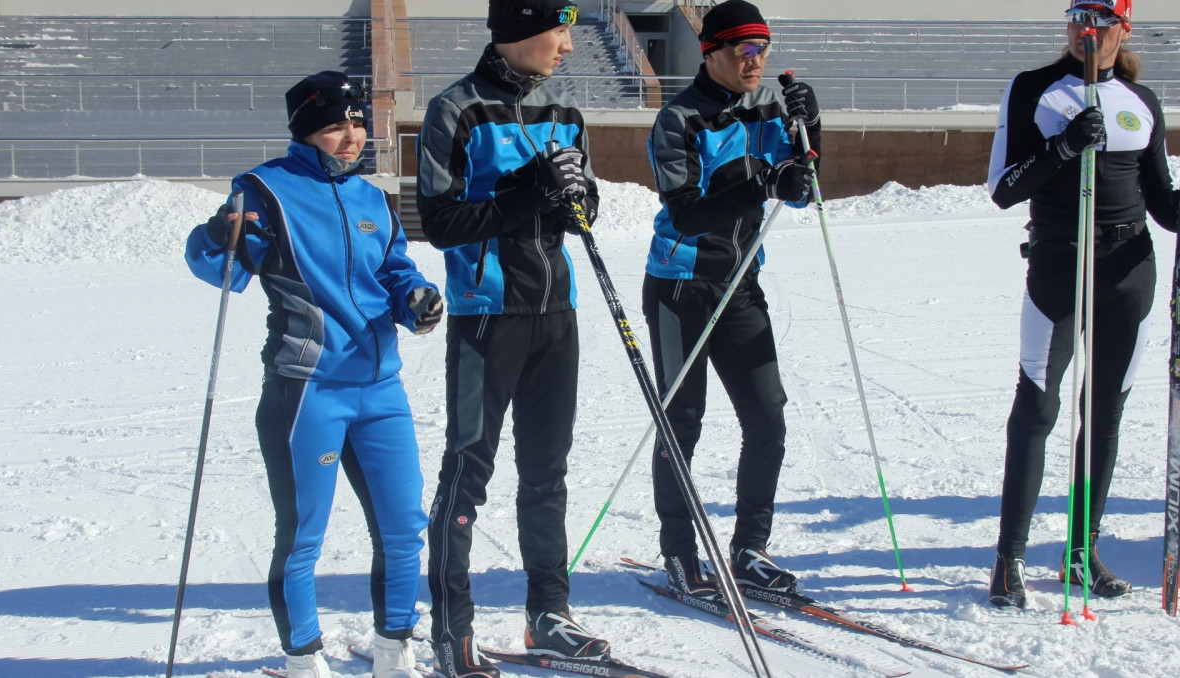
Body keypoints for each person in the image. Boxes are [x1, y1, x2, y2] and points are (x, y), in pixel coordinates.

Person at [185, 71, 443, 678]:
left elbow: (395, 268)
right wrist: (216, 237)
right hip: (308, 390)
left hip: (380, 387)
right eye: (334, 126)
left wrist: (415, 299)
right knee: (304, 535)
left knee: (405, 527)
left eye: (356, 123)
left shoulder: (372, 199)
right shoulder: (264, 191)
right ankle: (303, 658)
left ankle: (394, 649)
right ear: (306, 131)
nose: (351, 136)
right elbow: (217, 267)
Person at [414, 2, 607, 676]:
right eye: (560, 31)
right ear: (522, 31)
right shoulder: (456, 111)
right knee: (467, 473)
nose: (568, 47)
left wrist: (577, 199)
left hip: (557, 314)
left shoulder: (566, 113)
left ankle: (547, 614)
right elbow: (439, 221)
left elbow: (586, 206)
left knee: (547, 475)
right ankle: (451, 626)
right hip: (486, 317)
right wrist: (527, 191)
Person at [986, 0, 1179, 608]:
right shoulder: (1033, 91)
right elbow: (1002, 189)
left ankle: (1080, 549)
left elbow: (1163, 202)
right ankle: (1009, 558)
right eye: (1076, 20)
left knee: (1105, 412)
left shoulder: (1141, 103)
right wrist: (1065, 146)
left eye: (1099, 22)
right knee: (1039, 407)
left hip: (1129, 269)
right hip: (1059, 263)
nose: (1085, 33)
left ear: (1124, 28)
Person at [641, 0, 818, 601]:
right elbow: (687, 214)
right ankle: (680, 550)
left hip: (740, 284)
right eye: (743, 48)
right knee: (681, 421)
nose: (756, 59)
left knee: (767, 416)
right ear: (709, 51)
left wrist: (809, 130)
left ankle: (749, 549)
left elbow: (803, 189)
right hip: (680, 287)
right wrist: (763, 183)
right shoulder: (679, 119)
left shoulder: (769, 108)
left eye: (763, 47)